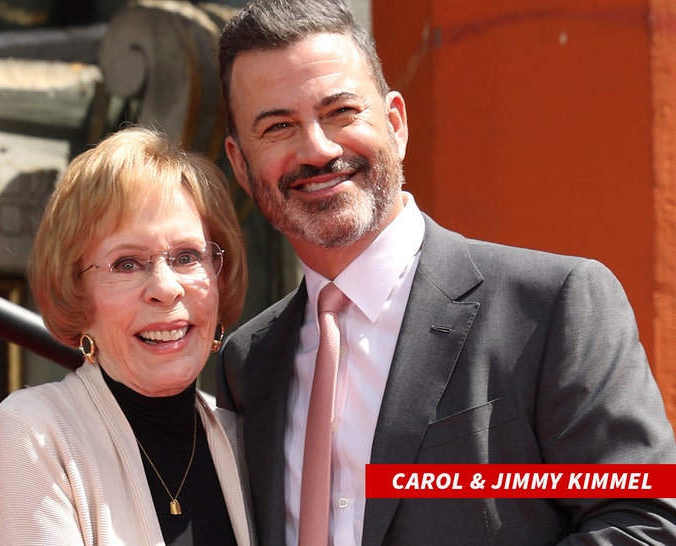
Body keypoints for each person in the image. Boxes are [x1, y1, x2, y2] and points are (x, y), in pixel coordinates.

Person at [214, 0, 676, 545]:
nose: (318, 148)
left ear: (395, 124)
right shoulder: (247, 364)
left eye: (340, 112)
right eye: (277, 127)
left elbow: (645, 525)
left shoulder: (552, 308)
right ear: (241, 164)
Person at [0, 126, 255, 545]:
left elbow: (379, 487)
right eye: (127, 264)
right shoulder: (34, 433)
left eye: (187, 256)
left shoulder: (252, 440)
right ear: (77, 294)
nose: (166, 288)